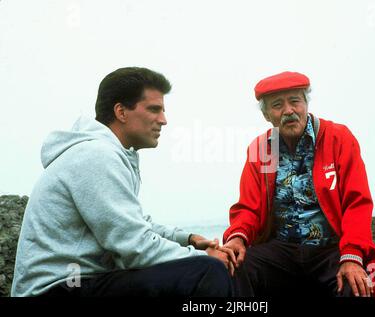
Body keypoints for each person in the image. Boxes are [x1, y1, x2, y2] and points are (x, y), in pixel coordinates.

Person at [11, 67, 236, 297]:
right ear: (121, 112)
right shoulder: (96, 156)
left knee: (203, 268)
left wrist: (188, 239)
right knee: (207, 272)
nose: (164, 120)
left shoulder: (107, 153)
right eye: (154, 109)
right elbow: (134, 247)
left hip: (81, 283)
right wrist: (203, 257)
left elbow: (133, 224)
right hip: (58, 288)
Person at [223, 71, 375, 297]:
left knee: (356, 287)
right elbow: (249, 207)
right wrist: (237, 237)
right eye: (277, 105)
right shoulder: (259, 150)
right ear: (267, 115)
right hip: (282, 251)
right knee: (232, 270)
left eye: (295, 101)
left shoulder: (338, 138)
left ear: (306, 103)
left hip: (331, 248)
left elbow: (357, 202)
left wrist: (352, 254)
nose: (289, 111)